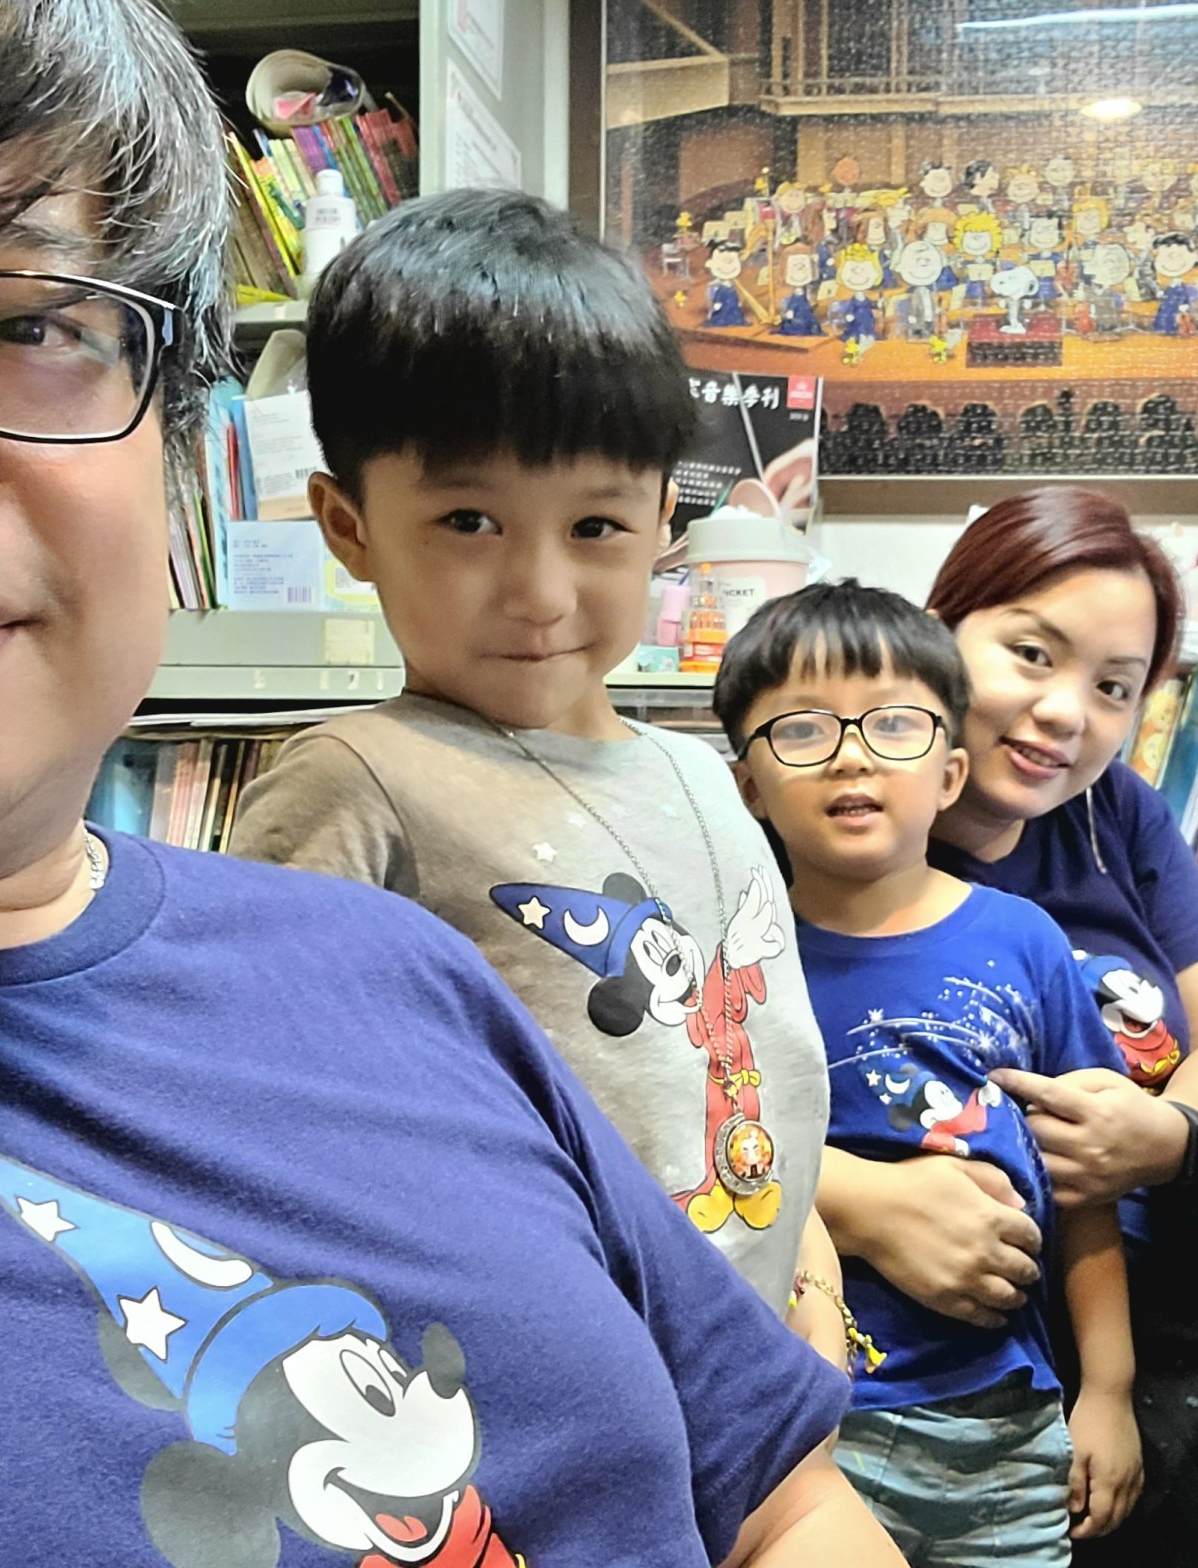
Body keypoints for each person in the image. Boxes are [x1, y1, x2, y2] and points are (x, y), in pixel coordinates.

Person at [0, 5, 906, 1567]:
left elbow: (785, 1501)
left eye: (34, 322)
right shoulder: (356, 792)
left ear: (173, 436)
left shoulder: (403, 973)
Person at [227, 188, 845, 1359]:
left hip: (746, 1370)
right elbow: (271, 1137)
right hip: (544, 1393)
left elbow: (757, 1073)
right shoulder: (355, 782)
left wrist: (810, 1293)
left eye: (594, 527)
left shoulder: (704, 777)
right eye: (468, 520)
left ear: (661, 516)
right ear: (347, 525)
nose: (540, 594)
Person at [714, 581, 1140, 1565]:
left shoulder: (1024, 939)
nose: (851, 753)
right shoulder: (724, 963)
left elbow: (1087, 1185)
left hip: (1000, 1421)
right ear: (747, 787)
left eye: (893, 723)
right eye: (802, 729)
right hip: (801, 1424)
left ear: (950, 772)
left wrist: (1109, 1389)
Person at [812, 489, 1198, 1563]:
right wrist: (854, 1199)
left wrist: (1170, 1131)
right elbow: (678, 1091)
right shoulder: (835, 840)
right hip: (926, 1361)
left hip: (1138, 1323)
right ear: (938, 630)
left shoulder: (1113, 813)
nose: (1067, 712)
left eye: (1113, 686)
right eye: (1032, 653)